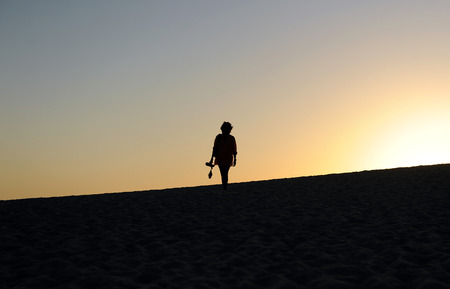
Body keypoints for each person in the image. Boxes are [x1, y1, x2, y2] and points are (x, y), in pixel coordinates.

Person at [208, 122, 237, 191]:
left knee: (225, 172)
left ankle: (225, 187)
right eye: (224, 129)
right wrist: (211, 159)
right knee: (222, 173)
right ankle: (224, 186)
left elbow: (234, 150)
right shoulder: (218, 137)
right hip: (219, 158)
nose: (226, 131)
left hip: (228, 159)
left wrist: (235, 159)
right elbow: (214, 148)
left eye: (227, 130)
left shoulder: (232, 138)